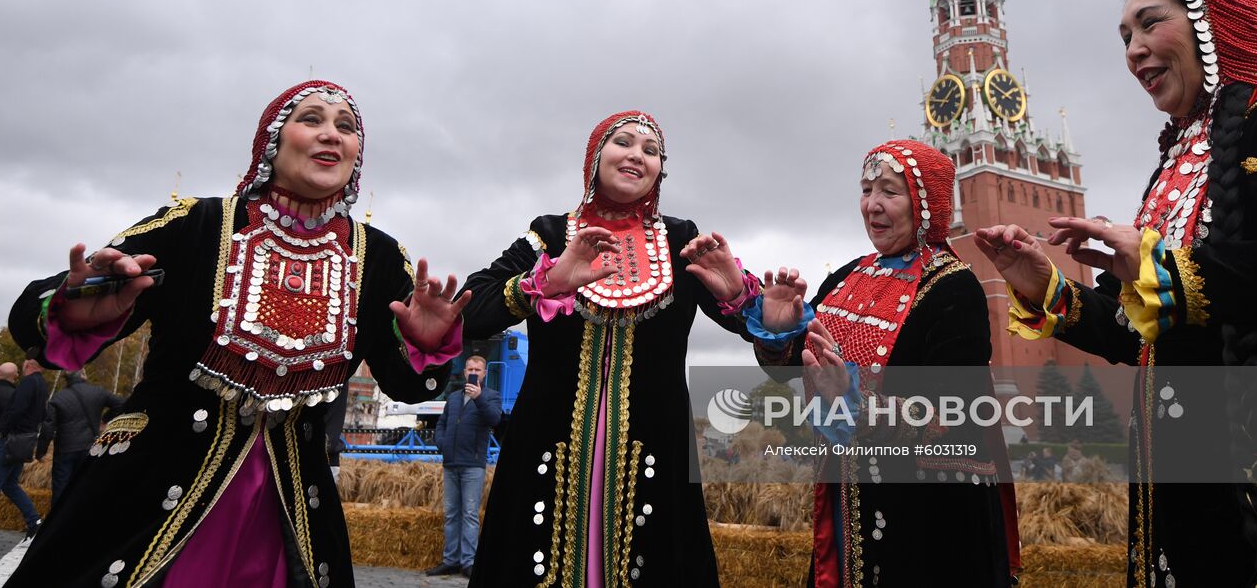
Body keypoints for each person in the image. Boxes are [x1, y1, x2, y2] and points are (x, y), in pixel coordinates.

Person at [978, 0, 1257, 586]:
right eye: (1124, 37)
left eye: (1149, 24)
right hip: (1194, 493)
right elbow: (1134, 334)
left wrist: (1174, 270)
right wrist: (1045, 286)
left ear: (1212, 25)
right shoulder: (1173, 168)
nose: (1134, 50)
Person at [5, 80, 468, 588]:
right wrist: (79, 305)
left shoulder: (376, 257)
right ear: (272, 140)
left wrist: (427, 344)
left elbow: (409, 385)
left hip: (290, 512)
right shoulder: (196, 224)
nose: (331, 134)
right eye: (311, 119)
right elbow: (42, 313)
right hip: (149, 492)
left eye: (346, 126)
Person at [459, 109, 761, 587]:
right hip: (549, 447)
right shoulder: (551, 234)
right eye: (623, 143)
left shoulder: (681, 240)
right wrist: (545, 281)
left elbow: (751, 329)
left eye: (651, 150)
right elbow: (472, 309)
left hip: (655, 448)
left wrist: (748, 301)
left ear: (661, 169)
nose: (637, 156)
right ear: (595, 156)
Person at [750, 140, 1017, 586]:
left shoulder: (953, 288)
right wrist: (779, 332)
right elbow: (794, 367)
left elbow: (959, 414)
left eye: (889, 192)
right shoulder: (846, 277)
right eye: (866, 188)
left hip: (928, 518)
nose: (872, 204)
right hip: (845, 499)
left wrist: (857, 403)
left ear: (924, 203)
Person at [426, 354, 501, 577]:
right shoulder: (454, 397)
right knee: (451, 513)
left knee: (469, 514)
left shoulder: (491, 396)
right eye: (470, 369)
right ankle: (451, 559)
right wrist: (442, 443)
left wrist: (478, 398)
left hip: (472, 465)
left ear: (485, 374)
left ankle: (469, 562)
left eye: (478, 370)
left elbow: (494, 419)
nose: (474, 373)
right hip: (450, 462)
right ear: (464, 372)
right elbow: (442, 423)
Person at [38, 371, 126, 507]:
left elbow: (48, 427)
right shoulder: (98, 392)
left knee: (60, 490)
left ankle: (57, 524)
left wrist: (41, 452)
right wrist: (104, 420)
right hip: (89, 447)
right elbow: (121, 403)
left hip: (64, 449)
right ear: (83, 375)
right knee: (83, 488)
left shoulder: (58, 398)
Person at [0, 358, 46, 539]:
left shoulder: (28, 383)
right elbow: (43, 413)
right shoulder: (41, 385)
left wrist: (3, 430)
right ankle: (34, 520)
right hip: (25, 441)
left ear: (29, 364)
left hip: (10, 441)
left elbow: (16, 410)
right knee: (10, 484)